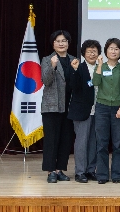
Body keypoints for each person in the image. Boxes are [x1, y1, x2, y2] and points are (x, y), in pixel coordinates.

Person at [92, 38, 120, 184]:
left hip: (118, 108)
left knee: (118, 143)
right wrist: (99, 65)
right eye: (111, 48)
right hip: (102, 107)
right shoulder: (101, 66)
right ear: (106, 51)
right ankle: (102, 174)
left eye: (116, 49)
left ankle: (117, 174)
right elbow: (95, 82)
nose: (113, 51)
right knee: (101, 143)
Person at [40, 30, 76, 183]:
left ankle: (59, 170)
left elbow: (76, 82)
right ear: (53, 44)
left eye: (64, 41)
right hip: (52, 106)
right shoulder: (47, 60)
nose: (61, 44)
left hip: (69, 106)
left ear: (68, 43)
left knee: (65, 139)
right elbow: (46, 80)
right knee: (51, 140)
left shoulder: (74, 60)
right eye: (58, 41)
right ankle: (50, 171)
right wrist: (52, 66)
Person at [68, 39, 101, 183]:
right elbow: (73, 86)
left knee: (94, 142)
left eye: (94, 51)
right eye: (89, 51)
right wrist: (74, 71)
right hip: (82, 111)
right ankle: (80, 172)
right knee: (81, 142)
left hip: (98, 110)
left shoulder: (102, 67)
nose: (92, 54)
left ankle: (90, 170)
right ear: (83, 53)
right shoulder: (79, 67)